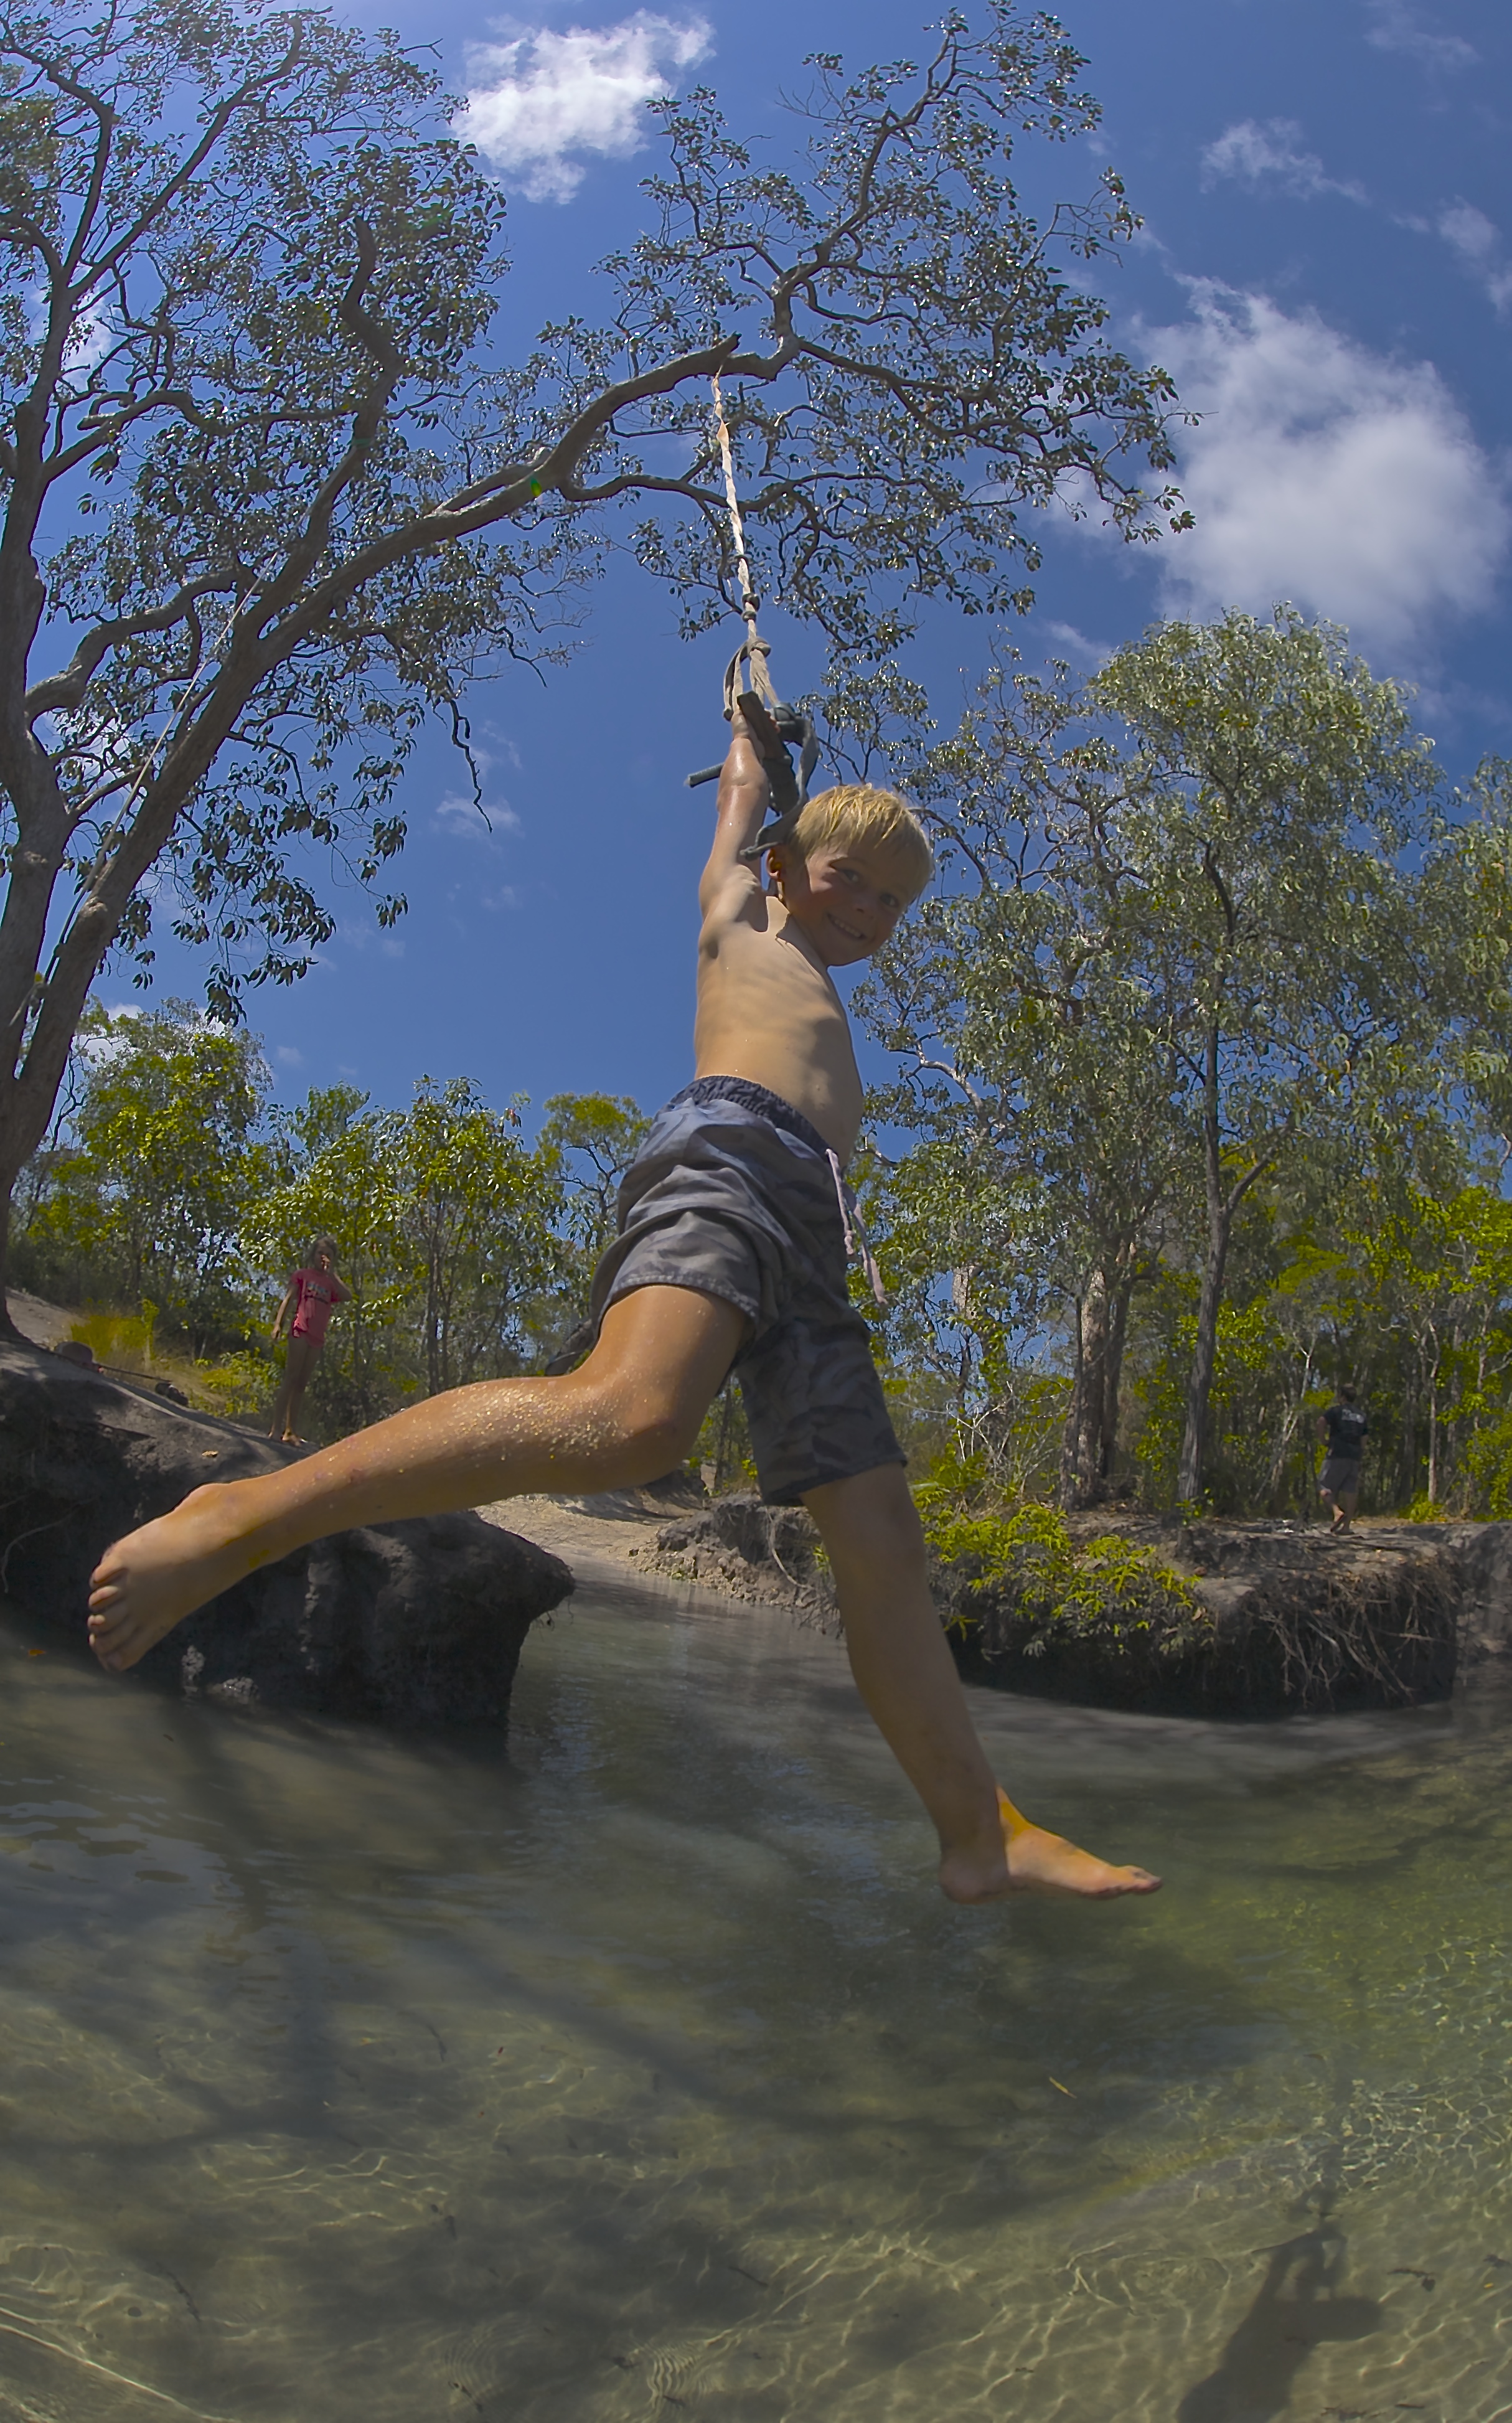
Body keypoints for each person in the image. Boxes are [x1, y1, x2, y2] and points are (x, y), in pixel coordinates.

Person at [85, 709, 1160, 1908]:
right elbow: (737, 809)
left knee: (881, 1542)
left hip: (812, 1225)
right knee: (634, 1418)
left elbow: (817, 909)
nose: (867, 909)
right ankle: (245, 1515)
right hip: (728, 1154)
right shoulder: (739, 915)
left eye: (889, 902)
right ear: (784, 867)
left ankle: (979, 1828)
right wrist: (749, 744)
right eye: (850, 878)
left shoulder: (816, 973)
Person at [267, 1237, 350, 1446]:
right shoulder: (303, 1275)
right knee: (291, 1377)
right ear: (313, 1255)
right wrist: (278, 1325)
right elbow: (288, 1299)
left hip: (317, 1336)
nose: (323, 1258)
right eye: (320, 1253)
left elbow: (347, 1296)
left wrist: (332, 1274)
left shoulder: (330, 1283)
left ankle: (291, 1431)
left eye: (328, 1255)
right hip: (300, 1330)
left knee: (302, 1383)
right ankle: (276, 1428)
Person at [1317, 1383, 1368, 1535]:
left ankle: (1337, 1511)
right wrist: (1359, 1452)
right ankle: (1346, 1527)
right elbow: (1364, 1437)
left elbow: (1321, 1422)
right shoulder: (1361, 1415)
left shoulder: (1336, 1411)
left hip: (1337, 1453)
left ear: (1342, 1396)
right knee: (1350, 1490)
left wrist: (1323, 1440)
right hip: (1354, 1456)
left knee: (1324, 1486)